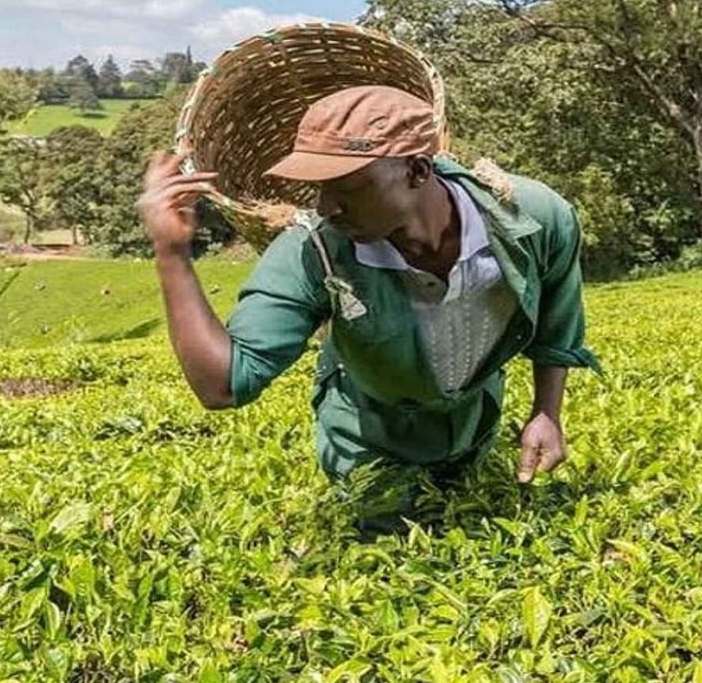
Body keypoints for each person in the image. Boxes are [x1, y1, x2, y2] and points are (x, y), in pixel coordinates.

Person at [139, 84, 598, 521]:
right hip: (366, 442)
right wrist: (172, 254)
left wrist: (546, 413)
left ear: (418, 171)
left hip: (476, 424)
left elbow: (557, 323)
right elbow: (223, 385)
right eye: (318, 188)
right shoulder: (312, 251)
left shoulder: (531, 217)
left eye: (348, 187)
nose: (325, 207)